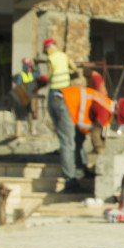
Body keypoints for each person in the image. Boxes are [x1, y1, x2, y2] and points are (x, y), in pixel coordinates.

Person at [36, 36, 82, 185]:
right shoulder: (63, 56)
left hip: (53, 96)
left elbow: (50, 77)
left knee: (65, 138)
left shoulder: (51, 58)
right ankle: (70, 178)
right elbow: (75, 69)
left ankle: (73, 169)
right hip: (63, 96)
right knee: (68, 140)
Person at [60, 71, 115, 178]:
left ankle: (81, 169)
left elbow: (96, 133)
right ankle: (71, 178)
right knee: (70, 143)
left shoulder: (96, 79)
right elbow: (96, 134)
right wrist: (101, 151)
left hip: (82, 105)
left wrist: (100, 150)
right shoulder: (105, 107)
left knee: (78, 139)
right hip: (68, 104)